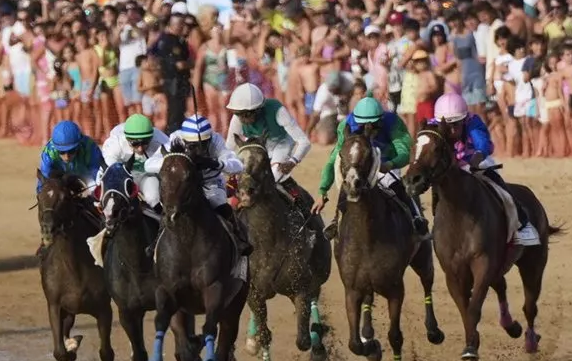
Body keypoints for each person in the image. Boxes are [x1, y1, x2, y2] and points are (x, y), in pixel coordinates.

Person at [431, 91, 540, 246]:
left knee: (497, 185)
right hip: (450, 166)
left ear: (464, 119)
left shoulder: (473, 121)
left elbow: (482, 142)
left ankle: (522, 226)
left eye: (456, 124)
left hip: (474, 160)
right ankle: (436, 227)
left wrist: (479, 154)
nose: (453, 130)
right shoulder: (432, 126)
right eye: (448, 125)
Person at [313, 96, 429, 240]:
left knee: (395, 186)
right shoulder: (346, 125)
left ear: (381, 120)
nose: (368, 130)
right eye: (363, 126)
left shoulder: (393, 122)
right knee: (348, 186)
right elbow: (333, 160)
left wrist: (391, 164)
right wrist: (323, 191)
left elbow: (404, 152)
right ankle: (336, 221)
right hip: (359, 166)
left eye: (373, 126)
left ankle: (416, 217)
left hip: (386, 163)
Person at [145, 114, 251, 255]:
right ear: (185, 140)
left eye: (203, 144)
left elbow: (238, 165)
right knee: (171, 205)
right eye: (194, 146)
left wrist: (216, 163)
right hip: (185, 183)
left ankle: (238, 238)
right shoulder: (175, 139)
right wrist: (177, 161)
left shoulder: (216, 140)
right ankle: (157, 240)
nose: (199, 150)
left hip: (210, 181)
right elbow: (148, 164)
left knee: (219, 204)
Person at [225, 82, 316, 212]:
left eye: (246, 114)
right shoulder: (237, 118)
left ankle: (304, 212)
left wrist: (293, 161)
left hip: (282, 144)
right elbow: (228, 147)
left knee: (274, 175)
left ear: (258, 109)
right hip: (257, 148)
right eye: (239, 114)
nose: (242, 119)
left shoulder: (278, 111)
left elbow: (304, 141)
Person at [36, 119, 105, 257]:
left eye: (71, 151)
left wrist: (85, 189)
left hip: (86, 178)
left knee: (99, 198)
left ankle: (104, 233)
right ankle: (46, 237)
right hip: (59, 180)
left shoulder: (90, 147)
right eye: (62, 152)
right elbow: (42, 184)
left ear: (79, 144)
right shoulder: (48, 153)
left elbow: (98, 175)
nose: (67, 156)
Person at [100, 113, 170, 208]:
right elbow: (112, 170)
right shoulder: (115, 144)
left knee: (153, 197)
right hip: (121, 178)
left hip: (146, 177)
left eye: (145, 143)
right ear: (127, 138)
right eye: (135, 144)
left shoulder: (161, 140)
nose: (140, 149)